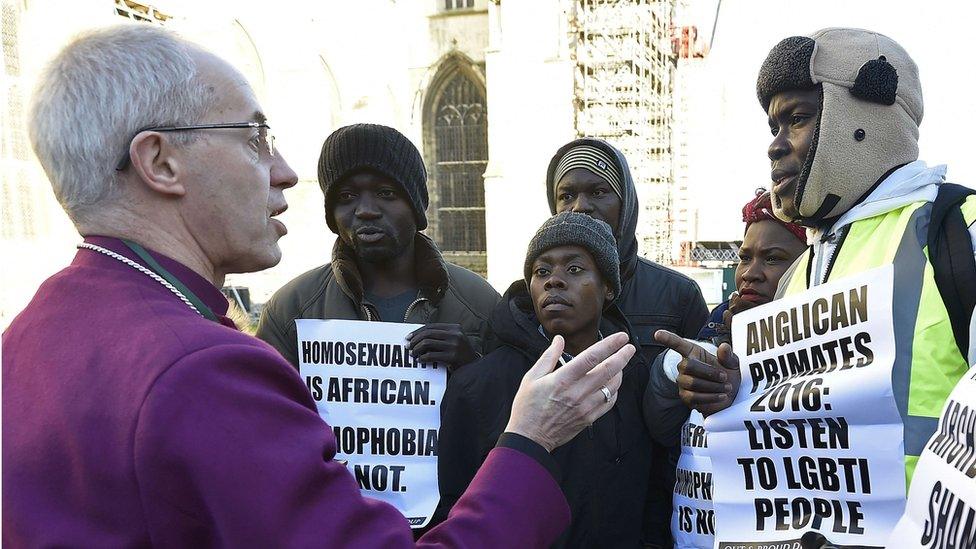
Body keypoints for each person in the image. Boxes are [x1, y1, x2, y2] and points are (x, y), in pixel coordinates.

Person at [1, 25, 638, 547]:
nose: (283, 173)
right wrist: (532, 439)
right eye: (253, 140)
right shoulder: (204, 371)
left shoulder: (30, 332)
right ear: (161, 162)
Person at [657, 28, 976, 485]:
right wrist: (736, 390)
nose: (775, 144)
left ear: (865, 111)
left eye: (797, 119)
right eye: (774, 127)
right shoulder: (801, 271)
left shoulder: (959, 229)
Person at [436, 212, 652, 547]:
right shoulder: (476, 386)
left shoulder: (635, 372)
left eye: (575, 268)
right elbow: (456, 507)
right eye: (541, 271)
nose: (554, 280)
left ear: (608, 287)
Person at [546, 137, 710, 546]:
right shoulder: (540, 296)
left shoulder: (678, 295)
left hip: (657, 506)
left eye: (598, 192)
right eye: (566, 195)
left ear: (627, 205)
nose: (580, 206)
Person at [256, 123, 499, 370]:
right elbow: (263, 404)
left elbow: (515, 401)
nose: (366, 211)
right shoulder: (291, 309)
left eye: (386, 193)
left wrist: (473, 367)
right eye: (346, 197)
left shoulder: (480, 304)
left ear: (416, 206)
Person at [644, 190, 807, 548]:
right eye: (744, 258)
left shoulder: (827, 351)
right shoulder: (714, 330)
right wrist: (673, 373)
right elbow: (663, 431)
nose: (750, 274)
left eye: (773, 258)